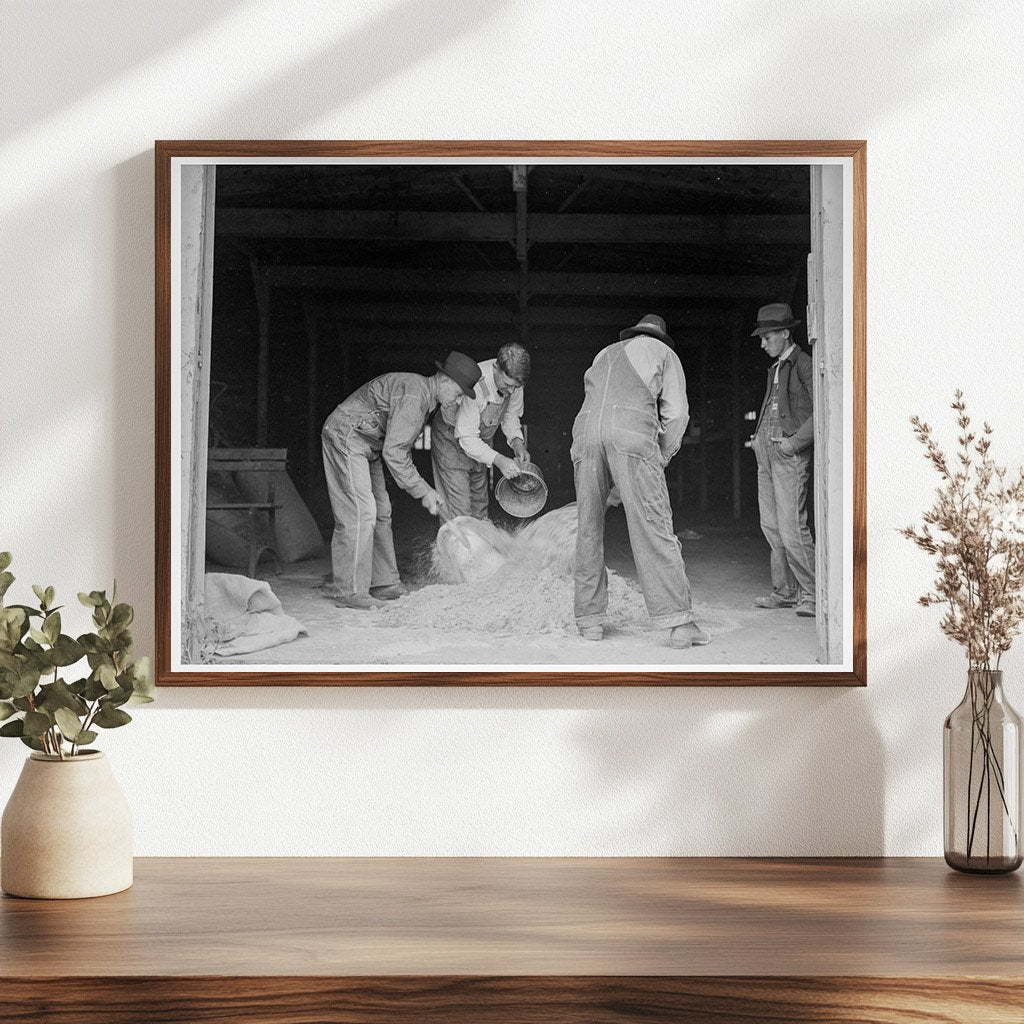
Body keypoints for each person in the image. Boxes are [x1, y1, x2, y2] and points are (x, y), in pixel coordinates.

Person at [571, 314, 710, 649]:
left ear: (632, 334)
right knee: (652, 524)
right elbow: (677, 414)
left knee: (588, 526)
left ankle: (590, 621)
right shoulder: (664, 353)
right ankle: (679, 622)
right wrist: (661, 455)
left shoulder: (603, 353)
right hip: (630, 432)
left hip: (585, 434)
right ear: (660, 338)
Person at [320, 352, 481, 609]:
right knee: (362, 512)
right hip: (347, 436)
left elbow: (395, 448)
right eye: (460, 394)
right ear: (445, 380)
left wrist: (422, 489)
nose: (458, 401)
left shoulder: (424, 397)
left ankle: (385, 583)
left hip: (369, 443)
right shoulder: (415, 396)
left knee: (382, 511)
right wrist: (424, 491)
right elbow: (395, 453)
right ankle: (349, 590)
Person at [749, 302, 816, 618]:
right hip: (767, 454)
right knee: (771, 526)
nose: (763, 344)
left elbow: (821, 411)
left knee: (791, 528)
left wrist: (794, 444)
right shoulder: (776, 368)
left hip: (788, 455)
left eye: (767, 337)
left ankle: (813, 594)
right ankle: (784, 591)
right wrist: (758, 441)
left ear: (785, 333)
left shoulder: (804, 364)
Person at [429, 343, 532, 520]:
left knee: (480, 506)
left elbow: (510, 415)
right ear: (495, 368)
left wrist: (517, 443)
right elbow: (467, 436)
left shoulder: (515, 383)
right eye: (507, 385)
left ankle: (478, 537)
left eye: (515, 387)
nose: (511, 391)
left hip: (480, 441)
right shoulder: (475, 382)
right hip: (451, 441)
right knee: (460, 510)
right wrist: (499, 460)